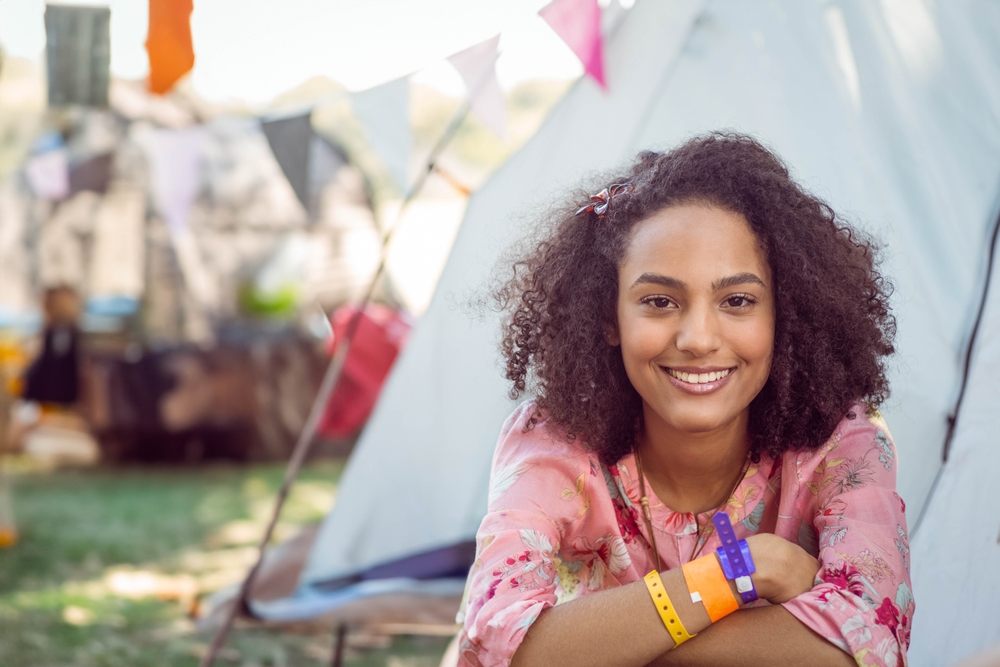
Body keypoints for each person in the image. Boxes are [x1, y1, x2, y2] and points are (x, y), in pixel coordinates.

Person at [455, 133, 911, 667]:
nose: (697, 338)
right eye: (659, 301)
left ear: (783, 315)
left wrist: (609, 645)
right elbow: (497, 644)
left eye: (737, 300)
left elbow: (871, 645)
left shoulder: (842, 444)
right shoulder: (553, 440)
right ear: (609, 318)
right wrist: (738, 571)